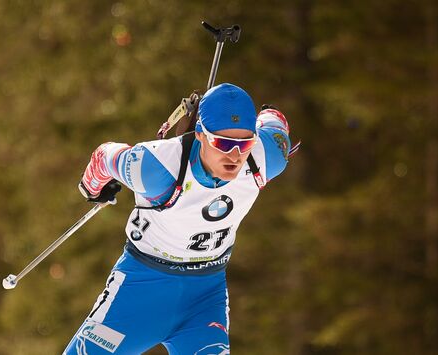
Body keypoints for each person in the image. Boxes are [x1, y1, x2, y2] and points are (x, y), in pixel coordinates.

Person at [64, 83, 292, 354]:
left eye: (245, 144)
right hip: (140, 291)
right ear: (200, 134)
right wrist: (93, 186)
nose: (235, 156)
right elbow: (104, 156)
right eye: (223, 143)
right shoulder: (156, 168)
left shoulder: (267, 157)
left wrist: (268, 114)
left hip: (205, 297)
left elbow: (276, 126)